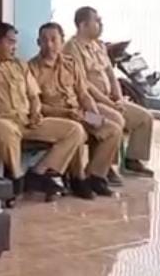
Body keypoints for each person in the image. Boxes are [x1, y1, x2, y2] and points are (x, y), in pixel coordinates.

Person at [0, 22, 94, 199]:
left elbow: (36, 96)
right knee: (8, 131)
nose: (14, 47)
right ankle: (21, 179)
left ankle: (44, 174)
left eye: (54, 39)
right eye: (10, 42)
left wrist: (35, 112)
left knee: (96, 128)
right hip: (5, 119)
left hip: (35, 119)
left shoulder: (25, 65)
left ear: (62, 41)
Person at [29, 22, 124, 197]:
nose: (49, 44)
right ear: (38, 43)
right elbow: (37, 105)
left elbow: (83, 94)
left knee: (113, 129)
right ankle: (77, 179)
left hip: (80, 113)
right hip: (58, 116)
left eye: (53, 39)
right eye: (44, 40)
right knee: (77, 130)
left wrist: (93, 114)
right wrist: (64, 113)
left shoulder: (70, 63)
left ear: (61, 41)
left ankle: (95, 177)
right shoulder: (32, 69)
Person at [64, 7, 154, 180]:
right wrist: (109, 103)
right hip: (89, 105)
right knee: (115, 120)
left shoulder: (99, 46)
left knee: (145, 118)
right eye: (97, 21)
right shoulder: (71, 48)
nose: (101, 24)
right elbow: (84, 85)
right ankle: (104, 166)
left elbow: (111, 76)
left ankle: (132, 160)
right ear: (83, 25)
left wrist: (118, 98)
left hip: (109, 100)